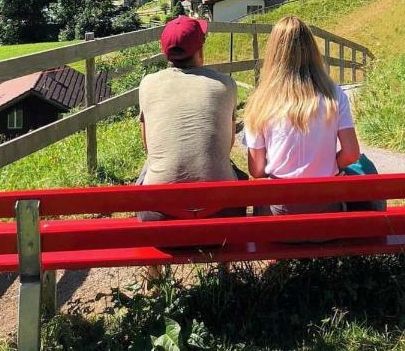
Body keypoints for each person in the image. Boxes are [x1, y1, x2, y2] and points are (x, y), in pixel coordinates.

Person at [243, 15, 360, 214]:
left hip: (279, 220)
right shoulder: (333, 93)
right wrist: (328, 165)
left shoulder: (260, 101)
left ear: (273, 53)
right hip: (327, 216)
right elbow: (351, 154)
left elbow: (256, 170)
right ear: (312, 50)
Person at [137, 15, 241, 222]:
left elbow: (148, 146)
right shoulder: (225, 84)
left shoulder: (148, 84)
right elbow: (227, 144)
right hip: (220, 218)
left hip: (160, 221)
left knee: (148, 169)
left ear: (165, 52)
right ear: (200, 50)